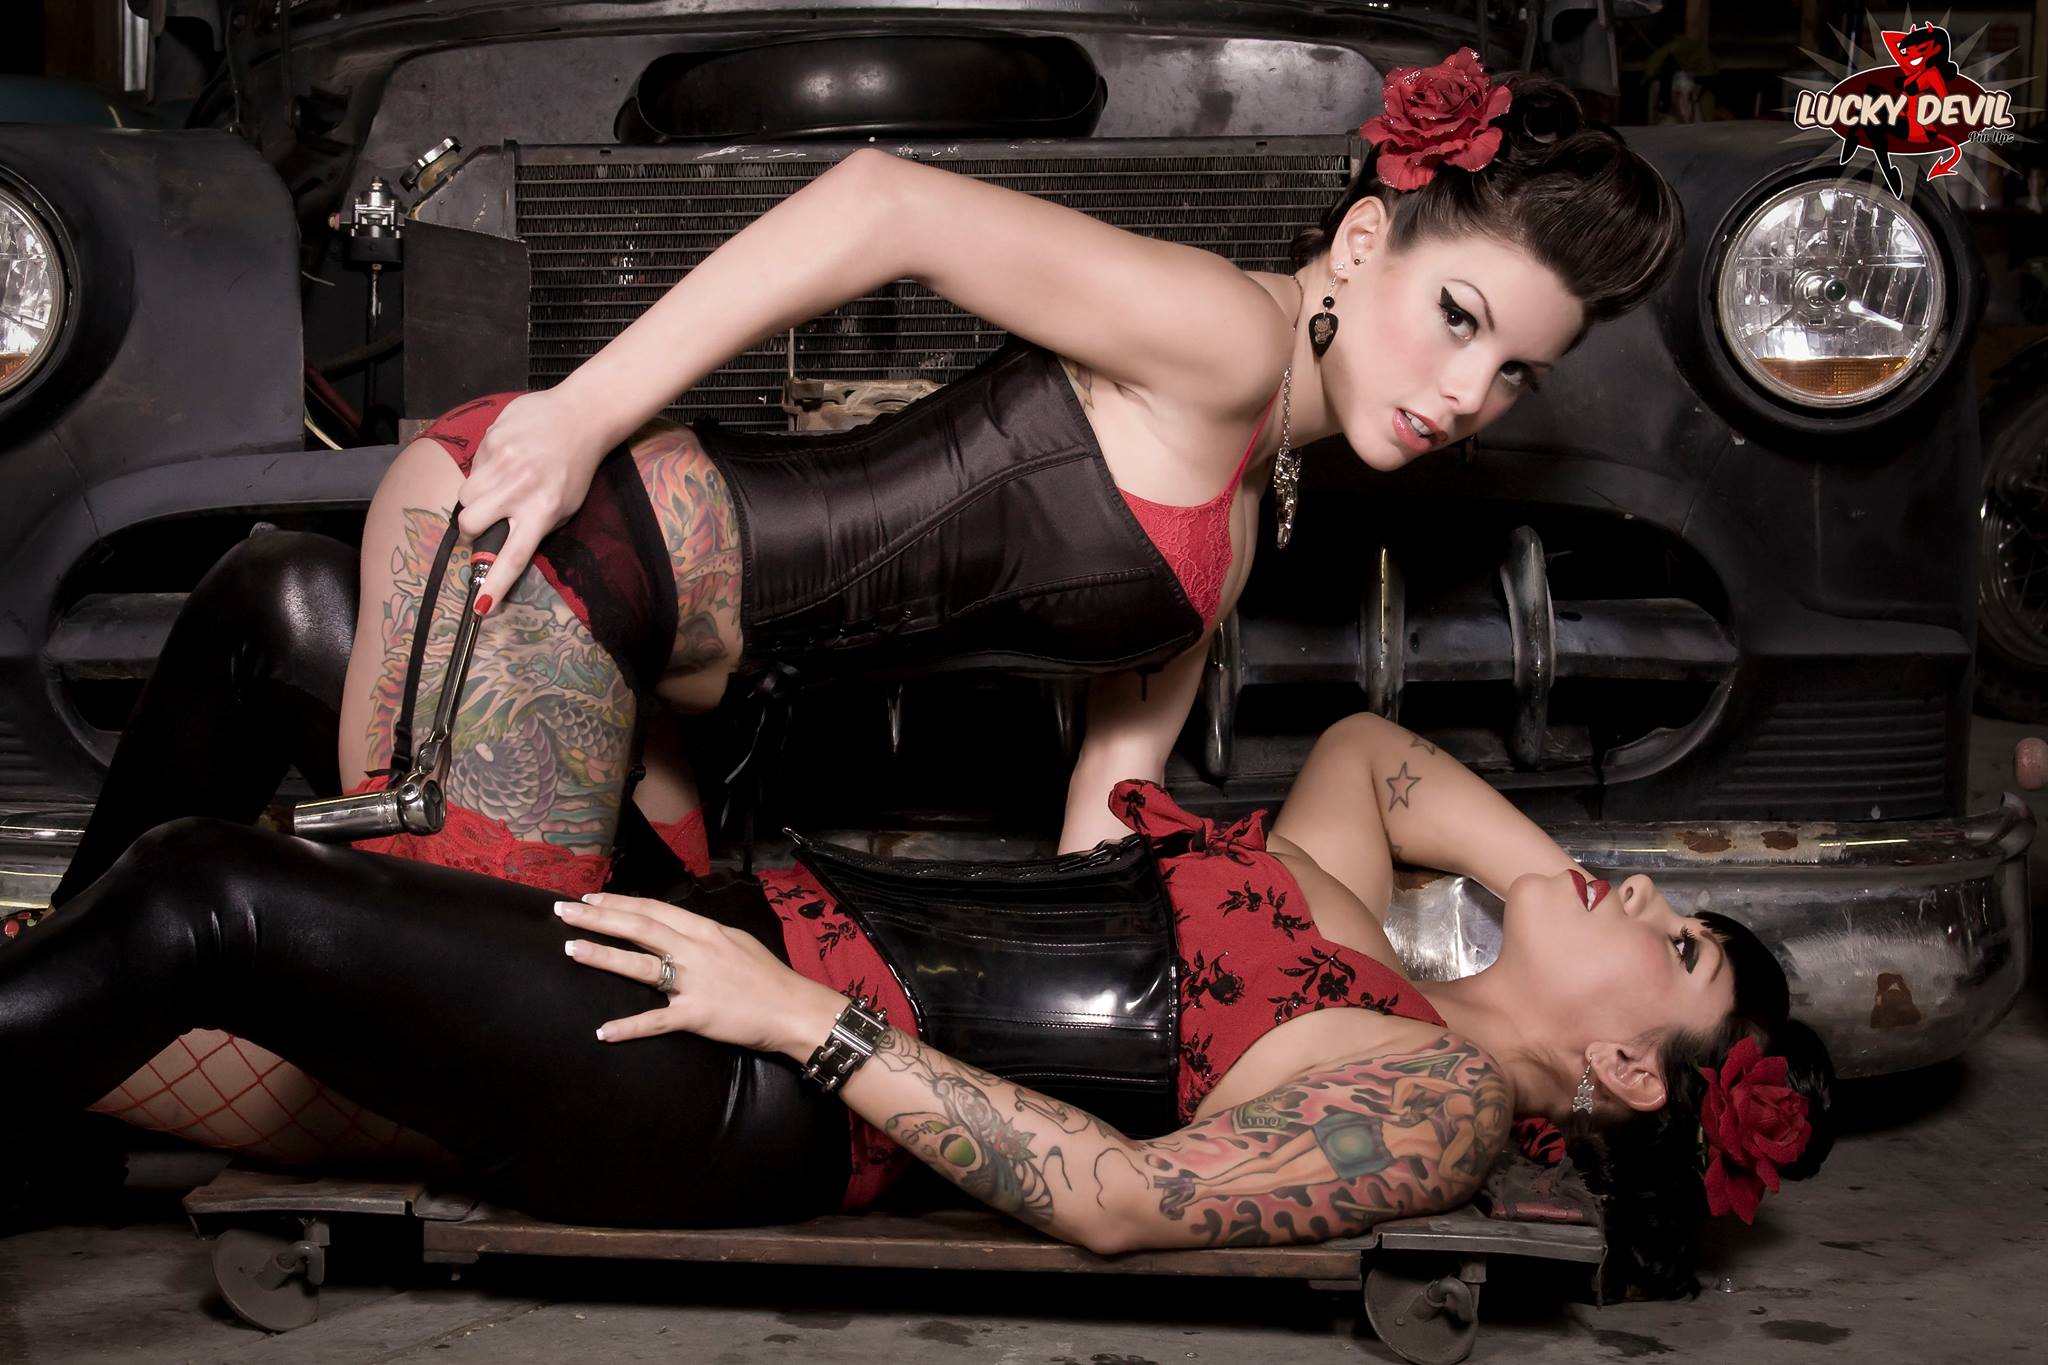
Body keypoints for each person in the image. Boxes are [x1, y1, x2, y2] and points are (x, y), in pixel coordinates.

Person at [37, 50, 1684, 1160]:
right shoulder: (1228, 335)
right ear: (1364, 241)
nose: (1468, 391)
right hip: (569, 572)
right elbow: (885, 202)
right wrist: (582, 412)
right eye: (1457, 316)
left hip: (646, 704)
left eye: (1515, 369)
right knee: (417, 1069)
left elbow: (1109, 849)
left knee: (304, 654)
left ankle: (52, 1032)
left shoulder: (1251, 506)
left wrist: (1195, 1084)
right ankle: (48, 1072)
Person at [7, 711, 1832, 1299]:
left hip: (747, 1082)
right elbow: (1374, 750)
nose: (1643, 894)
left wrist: (800, 1023)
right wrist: (1566, 886)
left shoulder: (1441, 1102)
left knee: (205, 894)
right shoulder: (1348, 914)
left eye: (1676, 948)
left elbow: (1118, 1202)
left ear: (1623, 1068)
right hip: (726, 938)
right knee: (278, 623)